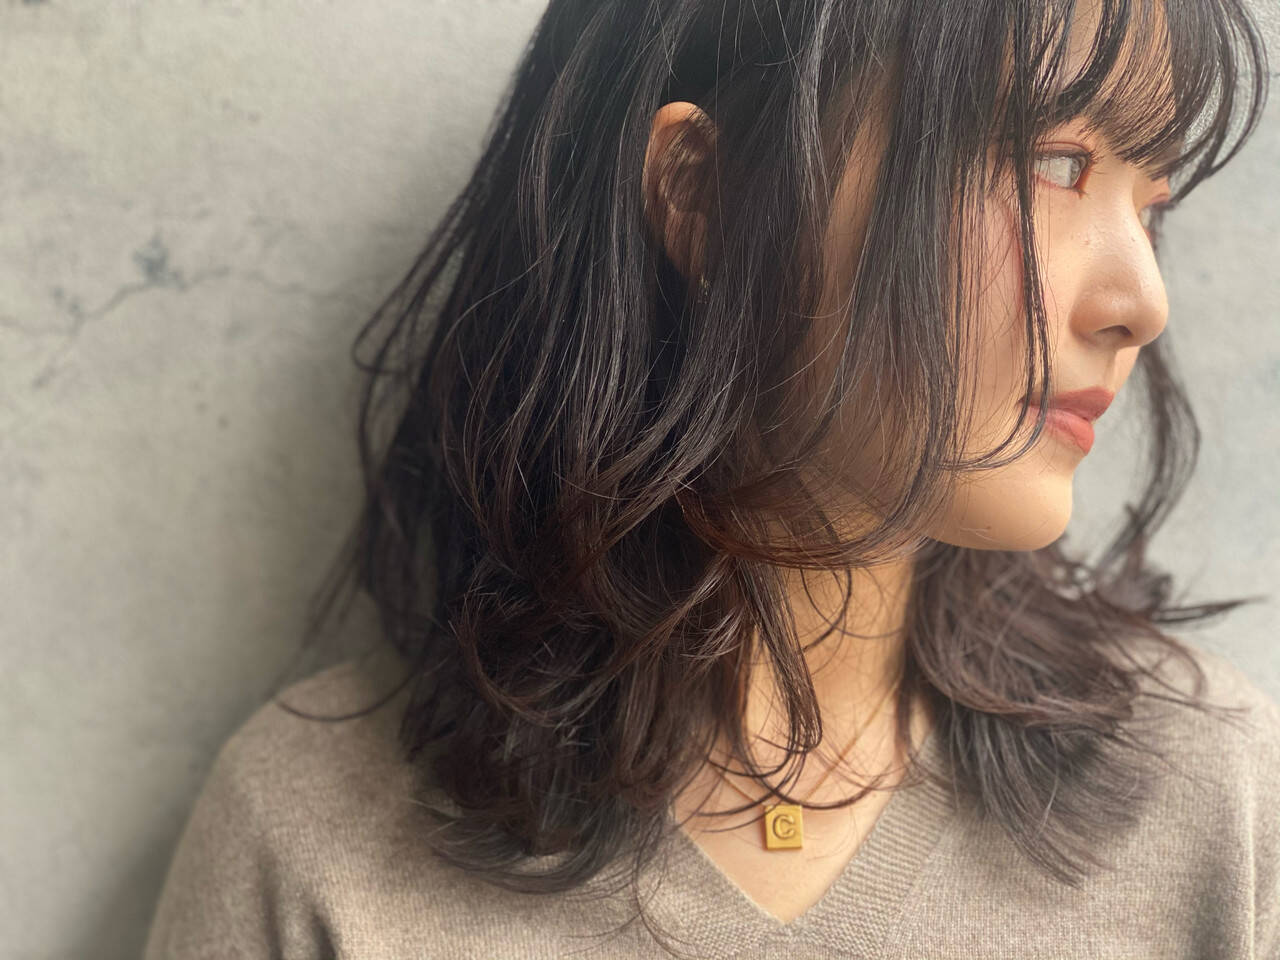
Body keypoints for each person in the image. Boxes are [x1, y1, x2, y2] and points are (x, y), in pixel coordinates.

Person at [143, 0, 1280, 956]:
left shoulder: (1210, 798)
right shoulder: (315, 837)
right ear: (705, 194)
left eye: (1152, 208)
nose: (1141, 302)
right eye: (1053, 164)